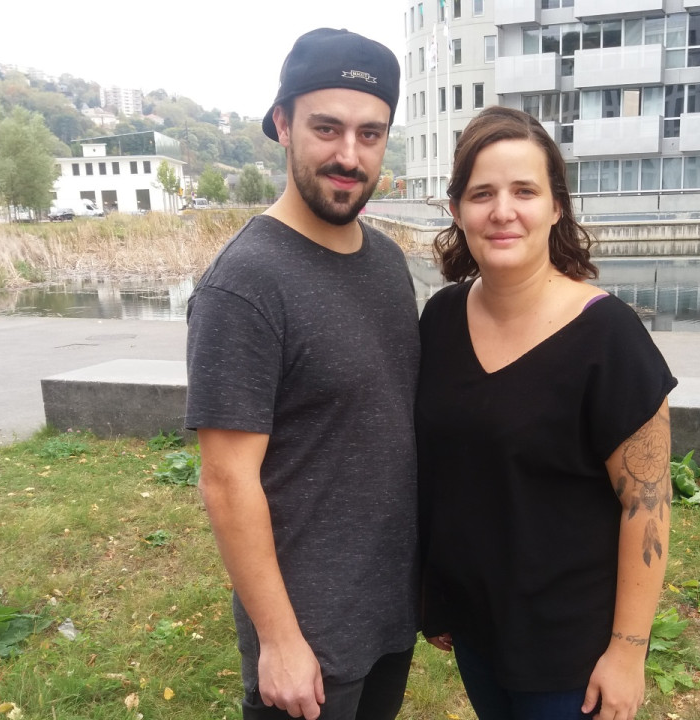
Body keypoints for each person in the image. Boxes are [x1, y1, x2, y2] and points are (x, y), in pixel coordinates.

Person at [185, 28, 419, 720]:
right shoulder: (246, 284)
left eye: (371, 134)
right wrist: (279, 641)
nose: (350, 156)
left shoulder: (387, 262)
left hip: (386, 612)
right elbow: (226, 481)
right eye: (327, 128)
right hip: (306, 642)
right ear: (282, 125)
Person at [416, 106, 678, 720]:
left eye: (524, 191)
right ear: (457, 211)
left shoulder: (607, 335)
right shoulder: (441, 319)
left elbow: (648, 506)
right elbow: (450, 473)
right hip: (478, 633)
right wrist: (441, 593)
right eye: (482, 194)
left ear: (556, 206)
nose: (502, 211)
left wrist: (628, 651)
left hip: (573, 653)